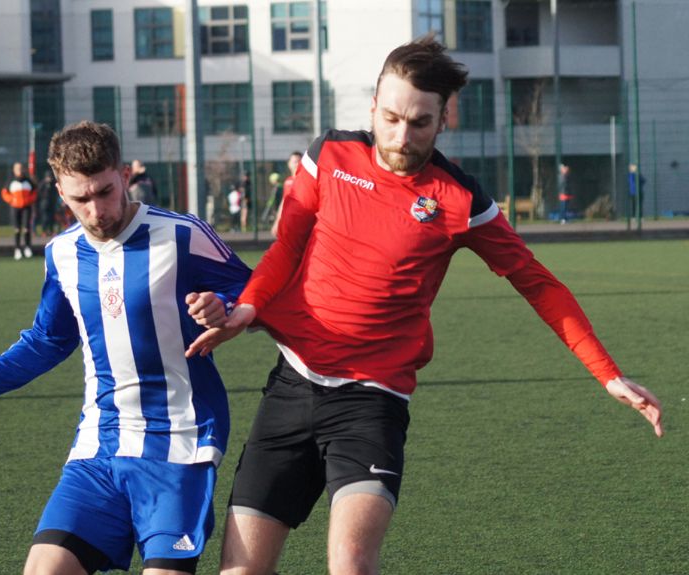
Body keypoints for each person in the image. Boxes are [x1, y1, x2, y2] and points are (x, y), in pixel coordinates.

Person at [186, 36, 663, 575]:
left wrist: (608, 374)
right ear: (372, 107)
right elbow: (287, 247)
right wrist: (247, 309)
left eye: (418, 123)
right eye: (390, 117)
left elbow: (539, 284)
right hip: (292, 386)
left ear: (443, 120)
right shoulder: (330, 155)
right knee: (240, 569)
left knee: (350, 565)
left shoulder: (460, 200)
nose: (400, 135)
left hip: (372, 402)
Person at [0, 121, 251, 575]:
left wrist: (226, 306)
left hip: (178, 444)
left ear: (123, 176)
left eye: (105, 192)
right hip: (99, 444)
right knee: (44, 569)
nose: (96, 210)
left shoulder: (181, 235)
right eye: (81, 198)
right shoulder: (61, 253)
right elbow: (47, 340)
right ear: (59, 191)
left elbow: (255, 289)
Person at [1, 162, 37, 259]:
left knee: (26, 228)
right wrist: (12, 200)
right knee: (17, 229)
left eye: (21, 168)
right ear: (14, 170)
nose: (19, 170)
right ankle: (17, 249)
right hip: (15, 208)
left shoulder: (28, 181)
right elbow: (4, 193)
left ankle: (27, 247)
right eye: (17, 169)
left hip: (26, 207)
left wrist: (29, 200)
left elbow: (35, 192)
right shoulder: (10, 181)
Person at [270, 151, 302, 237]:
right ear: (289, 164)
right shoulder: (288, 181)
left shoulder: (306, 181)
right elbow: (284, 201)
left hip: (302, 222)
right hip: (289, 222)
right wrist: (277, 222)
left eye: (299, 161)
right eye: (295, 162)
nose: (297, 164)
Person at [36, 170, 58, 237]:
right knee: (45, 218)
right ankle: (44, 231)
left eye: (50, 177)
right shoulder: (42, 183)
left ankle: (51, 231)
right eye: (48, 177)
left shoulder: (53, 183)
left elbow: (56, 192)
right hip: (44, 204)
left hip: (52, 203)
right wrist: (44, 195)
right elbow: (39, 192)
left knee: (52, 218)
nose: (49, 179)